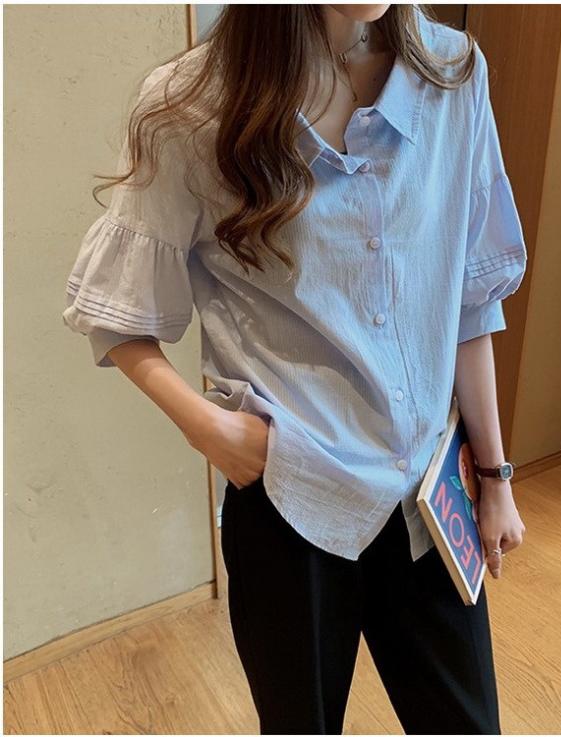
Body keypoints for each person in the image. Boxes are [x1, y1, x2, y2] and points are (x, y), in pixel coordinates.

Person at [62, 4, 528, 734]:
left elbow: (468, 298)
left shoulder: (454, 74)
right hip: (290, 495)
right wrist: (211, 430)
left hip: (426, 497)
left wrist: (495, 479)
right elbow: (118, 315)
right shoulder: (191, 104)